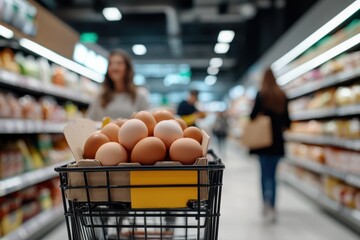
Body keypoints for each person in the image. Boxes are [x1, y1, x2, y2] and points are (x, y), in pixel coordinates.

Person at [249, 68, 291, 223]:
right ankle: (273, 206)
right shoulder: (282, 95)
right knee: (273, 176)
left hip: (263, 142)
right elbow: (288, 122)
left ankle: (265, 203)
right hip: (278, 143)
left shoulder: (261, 95)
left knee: (264, 174)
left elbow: (252, 116)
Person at [87, 49, 150, 121]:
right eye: (111, 63)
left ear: (128, 68)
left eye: (119, 63)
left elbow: (147, 122)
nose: (114, 67)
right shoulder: (100, 95)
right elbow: (90, 120)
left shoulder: (140, 95)